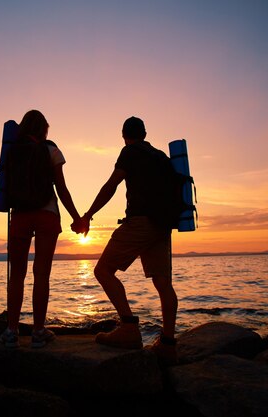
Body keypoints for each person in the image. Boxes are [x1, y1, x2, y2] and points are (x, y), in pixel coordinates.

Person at [74, 116, 178, 364]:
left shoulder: (129, 152)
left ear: (124, 135)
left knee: (103, 271)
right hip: (162, 226)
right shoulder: (160, 156)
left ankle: (129, 328)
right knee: (163, 283)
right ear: (145, 133)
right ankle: (168, 343)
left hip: (141, 222)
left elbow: (111, 185)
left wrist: (88, 215)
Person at [0, 109, 82, 348]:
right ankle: (37, 331)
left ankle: (11, 331)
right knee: (41, 274)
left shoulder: (12, 150)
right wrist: (76, 218)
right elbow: (62, 189)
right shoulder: (51, 150)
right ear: (44, 128)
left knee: (17, 274)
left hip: (20, 216)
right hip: (47, 214)